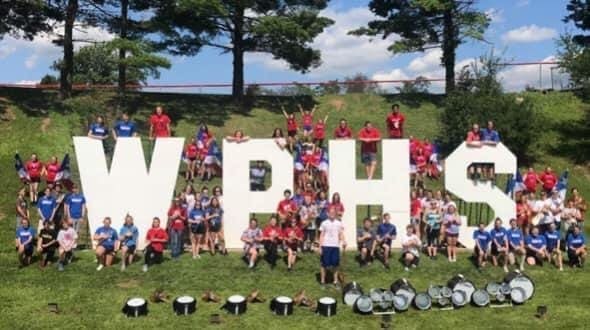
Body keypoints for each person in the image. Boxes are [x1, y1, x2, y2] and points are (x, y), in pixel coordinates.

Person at [319, 208, 346, 288]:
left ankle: (335, 281)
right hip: (326, 246)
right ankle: (323, 282)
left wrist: (344, 241)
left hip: (335, 246)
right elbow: (321, 235)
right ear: (328, 214)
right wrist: (320, 247)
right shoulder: (324, 223)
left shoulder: (339, 223)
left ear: (336, 213)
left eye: (333, 212)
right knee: (324, 264)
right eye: (330, 212)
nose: (332, 214)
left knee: (335, 264)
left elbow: (341, 233)